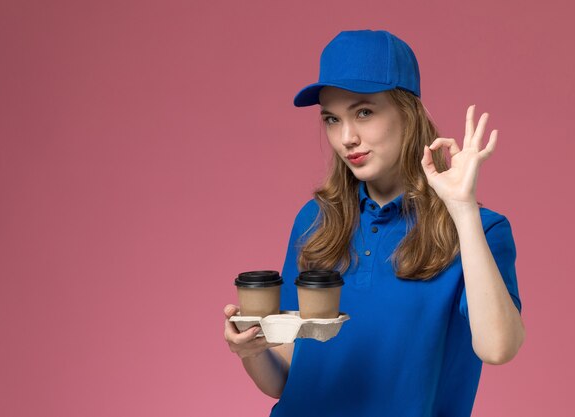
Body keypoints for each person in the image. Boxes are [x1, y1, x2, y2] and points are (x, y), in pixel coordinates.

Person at [223, 29, 525, 417]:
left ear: (407, 111)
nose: (346, 137)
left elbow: (498, 348)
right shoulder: (315, 220)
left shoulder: (480, 229)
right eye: (332, 119)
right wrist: (251, 351)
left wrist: (462, 210)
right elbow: (286, 375)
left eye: (364, 112)